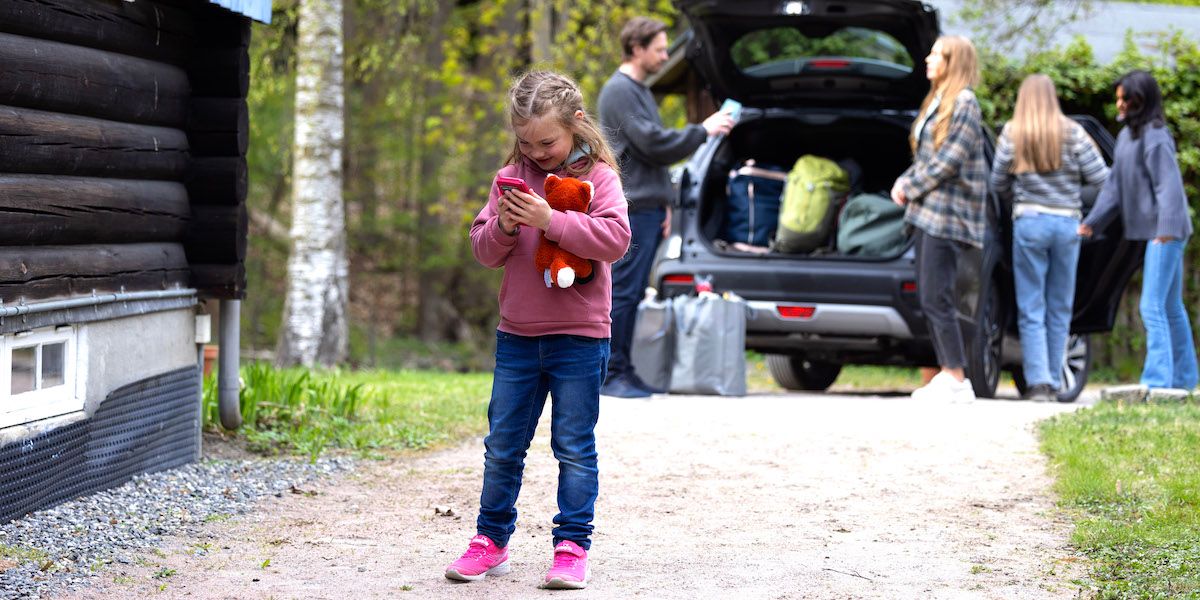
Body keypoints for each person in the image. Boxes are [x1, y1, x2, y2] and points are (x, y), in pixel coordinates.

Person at [451, 70, 632, 590]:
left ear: (576, 124)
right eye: (525, 142)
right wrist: (506, 225)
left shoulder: (599, 179)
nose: (537, 152)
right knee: (503, 445)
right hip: (518, 335)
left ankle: (572, 546)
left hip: (580, 335)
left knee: (573, 446)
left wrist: (549, 218)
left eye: (546, 141)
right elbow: (484, 250)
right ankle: (490, 541)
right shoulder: (511, 176)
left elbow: (615, 239)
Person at [597, 16, 734, 398]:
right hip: (633, 208)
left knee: (635, 291)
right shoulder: (619, 91)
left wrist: (667, 202)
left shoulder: (639, 89)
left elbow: (649, 157)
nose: (664, 55)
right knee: (623, 291)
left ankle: (624, 369)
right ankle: (610, 375)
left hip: (650, 206)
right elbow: (654, 144)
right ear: (636, 49)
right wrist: (702, 130)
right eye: (658, 48)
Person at [991, 75, 1110, 402]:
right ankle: (1056, 382)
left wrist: (1012, 202)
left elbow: (997, 179)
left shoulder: (1013, 133)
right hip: (1066, 224)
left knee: (1031, 306)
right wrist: (1090, 216)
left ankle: (1039, 383)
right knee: (1060, 306)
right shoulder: (1074, 133)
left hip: (1029, 222)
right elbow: (1104, 180)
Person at [1079, 70, 1197, 391]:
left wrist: (1166, 231)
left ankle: (1157, 382)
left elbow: (1169, 188)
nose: (1118, 104)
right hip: (1157, 233)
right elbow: (1114, 189)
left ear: (1139, 101)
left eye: (1123, 99)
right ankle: (1185, 380)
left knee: (1152, 305)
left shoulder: (1156, 136)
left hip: (1166, 232)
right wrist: (1092, 222)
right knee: (1171, 306)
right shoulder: (1127, 138)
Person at [890, 35, 988, 403]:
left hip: (949, 216)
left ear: (953, 61)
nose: (928, 59)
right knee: (931, 296)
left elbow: (949, 161)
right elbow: (926, 158)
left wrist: (908, 186)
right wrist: (907, 181)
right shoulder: (937, 101)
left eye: (935, 54)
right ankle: (946, 375)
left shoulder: (965, 103)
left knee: (939, 296)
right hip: (928, 214)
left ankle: (957, 379)